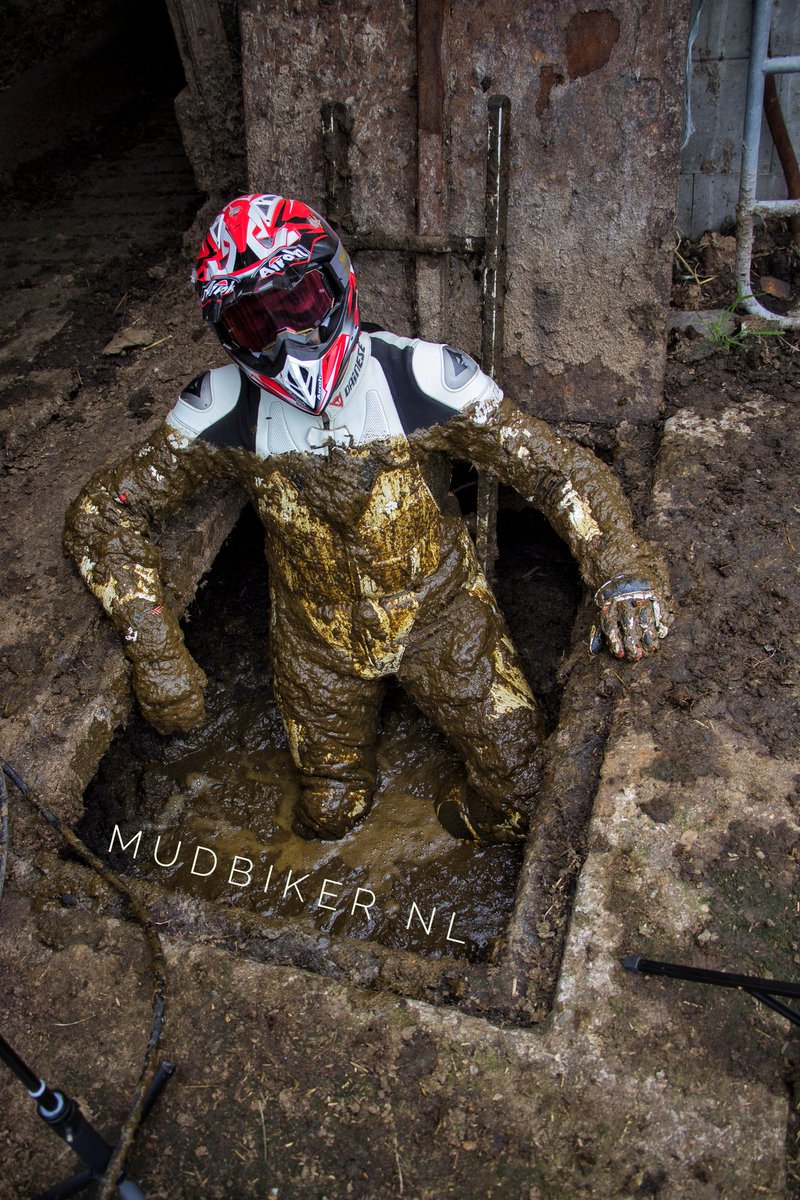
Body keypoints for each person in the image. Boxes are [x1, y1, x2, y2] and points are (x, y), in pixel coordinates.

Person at [64, 194, 672, 845]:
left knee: (521, 792)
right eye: (255, 324)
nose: (289, 342)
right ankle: (352, 812)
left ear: (337, 284)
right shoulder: (220, 410)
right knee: (331, 811)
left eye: (298, 307)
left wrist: (621, 571)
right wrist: (153, 644)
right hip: (315, 639)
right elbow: (105, 516)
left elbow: (556, 471)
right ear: (226, 333)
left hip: (440, 615)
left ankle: (450, 832)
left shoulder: (424, 379)